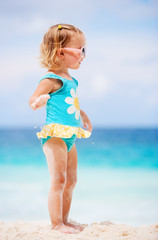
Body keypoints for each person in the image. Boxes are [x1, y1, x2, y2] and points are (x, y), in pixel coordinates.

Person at [29, 24, 92, 234]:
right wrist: (39, 101)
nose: (83, 55)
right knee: (59, 179)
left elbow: (70, 103)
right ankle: (56, 224)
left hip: (70, 135)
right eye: (80, 50)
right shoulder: (51, 79)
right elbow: (33, 99)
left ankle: (65, 220)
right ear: (61, 52)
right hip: (55, 135)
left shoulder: (72, 80)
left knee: (72, 180)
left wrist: (82, 115)